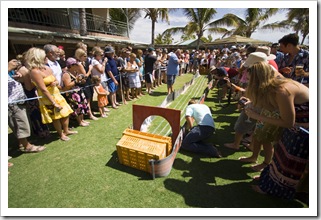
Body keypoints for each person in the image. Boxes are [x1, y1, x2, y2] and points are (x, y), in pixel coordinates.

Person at [242, 60, 309, 200]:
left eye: (250, 80)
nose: (247, 82)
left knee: (289, 164)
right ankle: (269, 181)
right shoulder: (276, 86)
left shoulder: (282, 90)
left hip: (303, 132)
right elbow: (275, 108)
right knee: (280, 157)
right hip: (297, 130)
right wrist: (253, 103)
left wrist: (257, 115)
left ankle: (275, 189)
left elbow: (287, 122)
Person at [25, 47, 75, 141]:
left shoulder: (47, 67)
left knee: (66, 112)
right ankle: (61, 134)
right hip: (47, 97)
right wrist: (54, 103)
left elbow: (55, 79)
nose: (46, 58)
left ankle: (66, 130)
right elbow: (43, 89)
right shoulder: (34, 71)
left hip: (56, 93)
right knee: (56, 117)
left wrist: (55, 83)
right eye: (44, 57)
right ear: (38, 58)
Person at [8, 59, 46, 153]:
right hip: (11, 102)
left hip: (18, 100)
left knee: (21, 123)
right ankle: (27, 146)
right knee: (19, 123)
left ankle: (23, 143)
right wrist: (8, 68)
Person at [62, 57, 91, 127]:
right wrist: (76, 81)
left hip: (78, 91)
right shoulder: (66, 74)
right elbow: (67, 85)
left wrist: (81, 81)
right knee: (77, 107)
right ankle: (79, 122)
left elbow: (78, 81)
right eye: (75, 65)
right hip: (72, 93)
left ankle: (82, 120)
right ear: (71, 65)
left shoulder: (75, 72)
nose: (77, 66)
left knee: (82, 106)